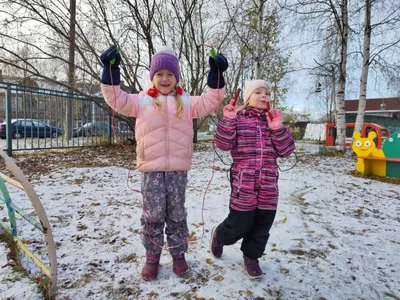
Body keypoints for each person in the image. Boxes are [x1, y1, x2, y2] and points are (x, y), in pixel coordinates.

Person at [100, 45, 228, 281]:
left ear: (176, 77)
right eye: (160, 74)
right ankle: (152, 256)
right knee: (153, 215)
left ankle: (178, 254)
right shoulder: (140, 101)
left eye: (170, 74)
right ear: (152, 77)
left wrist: (216, 77)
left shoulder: (187, 102)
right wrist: (110, 72)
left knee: (177, 214)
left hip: (178, 170)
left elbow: (211, 101)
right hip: (151, 170)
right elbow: (116, 99)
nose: (165, 79)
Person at [210, 79, 295, 279]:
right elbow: (223, 144)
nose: (264, 96)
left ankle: (251, 256)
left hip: (268, 181)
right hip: (244, 180)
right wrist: (228, 120)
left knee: (263, 223)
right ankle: (220, 235)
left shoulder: (272, 121)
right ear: (247, 97)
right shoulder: (238, 119)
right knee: (241, 222)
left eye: (267, 92)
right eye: (258, 92)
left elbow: (287, 151)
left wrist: (277, 128)